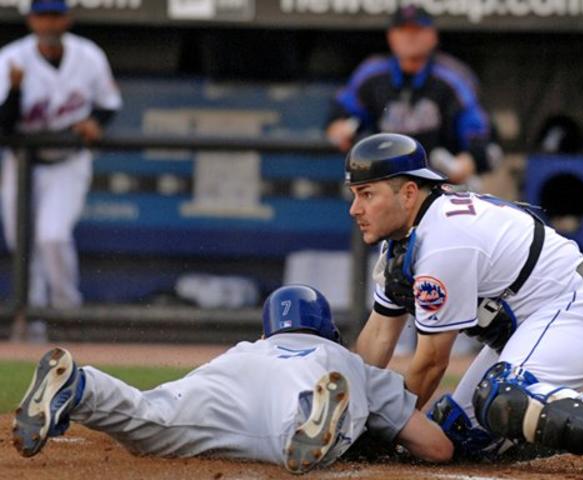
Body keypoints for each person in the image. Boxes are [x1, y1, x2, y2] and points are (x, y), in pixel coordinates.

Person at [344, 132, 583, 470]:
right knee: (458, 435)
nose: (355, 208)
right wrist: (350, 407)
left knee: (505, 396)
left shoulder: (442, 241)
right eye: (354, 194)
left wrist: (384, 430)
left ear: (409, 193)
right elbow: (378, 336)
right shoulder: (407, 239)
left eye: (367, 194)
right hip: (532, 323)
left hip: (581, 310)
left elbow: (431, 362)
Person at [12, 284, 453, 474]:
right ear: (327, 329)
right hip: (311, 380)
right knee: (297, 438)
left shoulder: (248, 349)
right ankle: (312, 417)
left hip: (227, 379)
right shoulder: (341, 356)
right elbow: (434, 446)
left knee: (150, 417)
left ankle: (82, 387)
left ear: (266, 330)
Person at [0, 0, 122, 312]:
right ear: (31, 21)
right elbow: (3, 126)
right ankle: (32, 326)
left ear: (67, 19)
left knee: (52, 237)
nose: (49, 24)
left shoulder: (88, 55)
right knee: (23, 249)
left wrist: (94, 121)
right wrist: (15, 92)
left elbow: (108, 103)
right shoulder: (10, 59)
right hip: (22, 164)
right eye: (43, 17)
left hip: (68, 162)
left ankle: (68, 314)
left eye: (55, 16)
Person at [326, 5, 498, 186]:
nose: (410, 37)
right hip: (387, 181)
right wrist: (338, 127)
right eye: (403, 31)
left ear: (433, 36)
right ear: (391, 36)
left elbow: (478, 130)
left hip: (441, 182)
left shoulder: (451, 76)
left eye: (417, 30)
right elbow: (342, 113)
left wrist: (469, 160)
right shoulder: (372, 73)